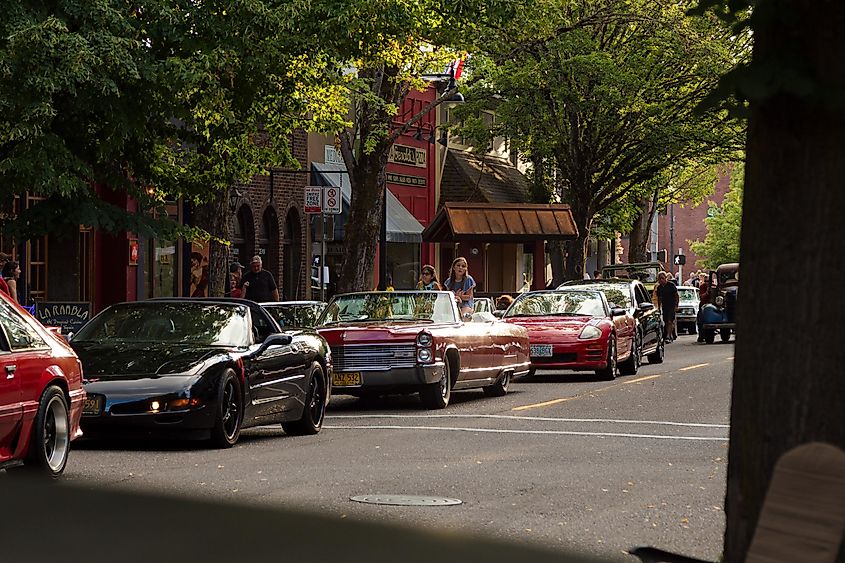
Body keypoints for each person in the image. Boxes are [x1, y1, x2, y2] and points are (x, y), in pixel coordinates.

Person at [655, 271, 679, 343]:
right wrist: (659, 307)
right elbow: (659, 298)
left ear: (666, 278)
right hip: (665, 306)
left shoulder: (671, 285)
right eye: (659, 279)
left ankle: (668, 336)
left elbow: (676, 296)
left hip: (671, 305)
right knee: (666, 321)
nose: (661, 280)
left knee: (670, 321)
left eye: (662, 278)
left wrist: (676, 305)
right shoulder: (659, 288)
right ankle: (670, 334)